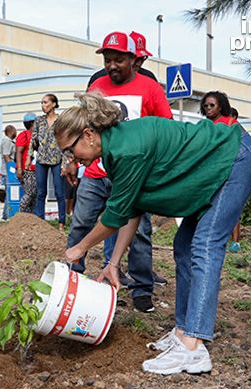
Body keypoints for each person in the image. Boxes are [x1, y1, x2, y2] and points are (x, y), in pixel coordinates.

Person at [57, 92, 251, 375]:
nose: (71, 158)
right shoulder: (116, 152)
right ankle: (183, 332)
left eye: (70, 149)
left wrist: (80, 248)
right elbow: (131, 209)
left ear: (89, 135)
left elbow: (114, 216)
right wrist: (114, 263)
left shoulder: (127, 149)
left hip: (232, 157)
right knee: (184, 246)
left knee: (204, 245)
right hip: (209, 167)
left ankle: (193, 346)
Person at [67, 31, 173, 313]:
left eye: (118, 60)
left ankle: (141, 289)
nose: (112, 65)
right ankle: (71, 280)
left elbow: (166, 127)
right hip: (96, 172)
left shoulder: (149, 87)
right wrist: (73, 161)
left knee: (138, 232)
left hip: (135, 175)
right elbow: (81, 128)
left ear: (132, 60)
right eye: (108, 59)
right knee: (80, 224)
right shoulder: (97, 85)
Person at [200, 91, 243, 253]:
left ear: (221, 106)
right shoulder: (204, 125)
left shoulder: (230, 123)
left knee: (230, 208)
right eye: (206, 106)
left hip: (227, 171)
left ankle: (234, 242)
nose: (208, 108)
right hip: (209, 173)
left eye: (212, 105)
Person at [32, 93, 66, 230]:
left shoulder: (61, 121)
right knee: (40, 192)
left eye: (45, 102)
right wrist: (29, 156)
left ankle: (61, 222)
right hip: (41, 159)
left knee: (59, 192)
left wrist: (65, 164)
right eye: (41, 103)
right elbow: (33, 140)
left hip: (57, 159)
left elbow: (65, 142)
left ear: (53, 104)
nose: (43, 105)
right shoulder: (39, 120)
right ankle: (41, 222)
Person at [15, 113, 37, 213]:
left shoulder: (36, 135)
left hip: (36, 169)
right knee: (30, 193)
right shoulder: (23, 135)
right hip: (26, 170)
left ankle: (30, 216)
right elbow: (18, 152)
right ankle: (21, 214)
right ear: (32, 123)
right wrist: (19, 168)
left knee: (35, 195)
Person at [0, 125, 17, 220]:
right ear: (10, 131)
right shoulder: (7, 141)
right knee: (10, 194)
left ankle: (6, 215)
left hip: (7, 171)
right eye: (15, 131)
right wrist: (12, 171)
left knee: (10, 194)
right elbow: (6, 156)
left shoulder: (9, 141)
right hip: (7, 173)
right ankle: (6, 216)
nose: (16, 133)